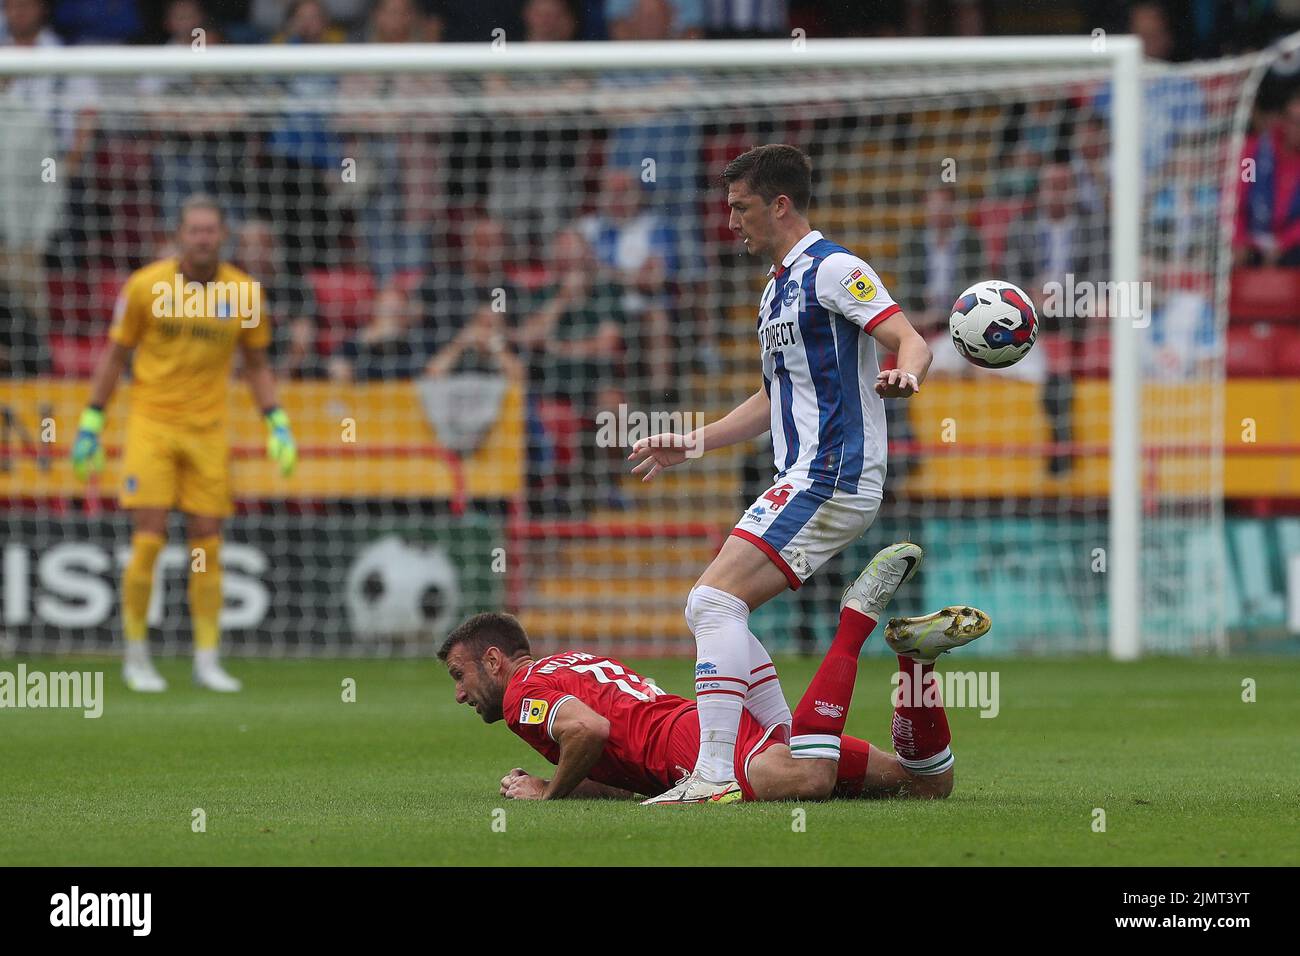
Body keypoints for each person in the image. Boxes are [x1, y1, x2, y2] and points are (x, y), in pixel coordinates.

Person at [626, 144, 933, 803]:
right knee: (718, 606)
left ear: (780, 204)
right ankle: (792, 750)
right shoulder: (775, 290)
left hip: (832, 474)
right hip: (803, 474)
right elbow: (776, 397)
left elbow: (910, 337)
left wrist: (907, 371)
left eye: (740, 208)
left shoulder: (834, 269)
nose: (730, 221)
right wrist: (696, 441)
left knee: (710, 602)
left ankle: (712, 775)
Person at [438, 593, 990, 802]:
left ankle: (855, 619)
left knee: (809, 780)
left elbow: (589, 732)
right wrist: (560, 780)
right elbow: (613, 765)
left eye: (460, 675)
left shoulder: (522, 696)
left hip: (693, 745)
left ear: (494, 660)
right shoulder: (570, 662)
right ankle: (916, 663)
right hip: (702, 723)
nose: (461, 694)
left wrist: (548, 795)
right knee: (928, 785)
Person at [70, 195, 298, 693]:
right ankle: (135, 655)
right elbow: (115, 356)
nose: (201, 237)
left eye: (210, 230)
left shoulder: (244, 293)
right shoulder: (145, 287)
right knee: (149, 538)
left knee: (207, 545)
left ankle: (207, 658)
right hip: (151, 426)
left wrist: (276, 422)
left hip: (209, 433)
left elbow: (257, 366)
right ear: (178, 235)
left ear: (223, 235)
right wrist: (91, 419)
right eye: (193, 229)